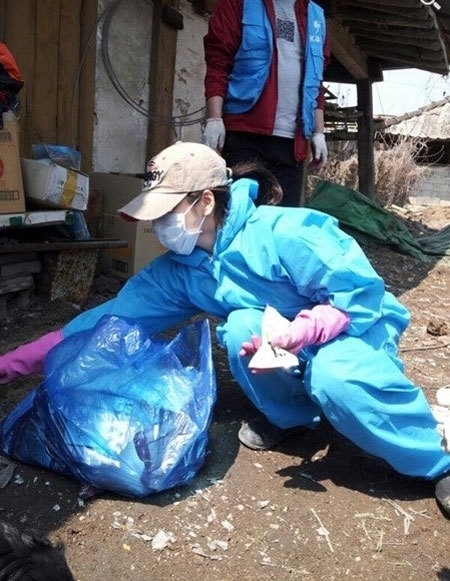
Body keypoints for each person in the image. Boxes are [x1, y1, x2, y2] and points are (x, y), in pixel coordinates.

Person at [1, 141, 449, 517]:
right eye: (152, 217)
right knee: (239, 330)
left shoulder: (287, 231)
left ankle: (434, 459)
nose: (158, 228)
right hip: (281, 339)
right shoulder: (181, 270)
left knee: (337, 377)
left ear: (207, 201)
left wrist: (305, 330)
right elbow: (108, 321)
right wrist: (11, 365)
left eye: (165, 213)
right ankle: (293, 418)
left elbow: (358, 297)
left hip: (351, 329)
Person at [202, 0, 330, 207]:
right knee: (239, 218)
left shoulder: (316, 15)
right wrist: (214, 119)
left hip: (291, 144)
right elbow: (217, 63)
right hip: (244, 136)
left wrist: (318, 132)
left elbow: (316, 80)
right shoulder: (238, 4)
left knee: (281, 227)